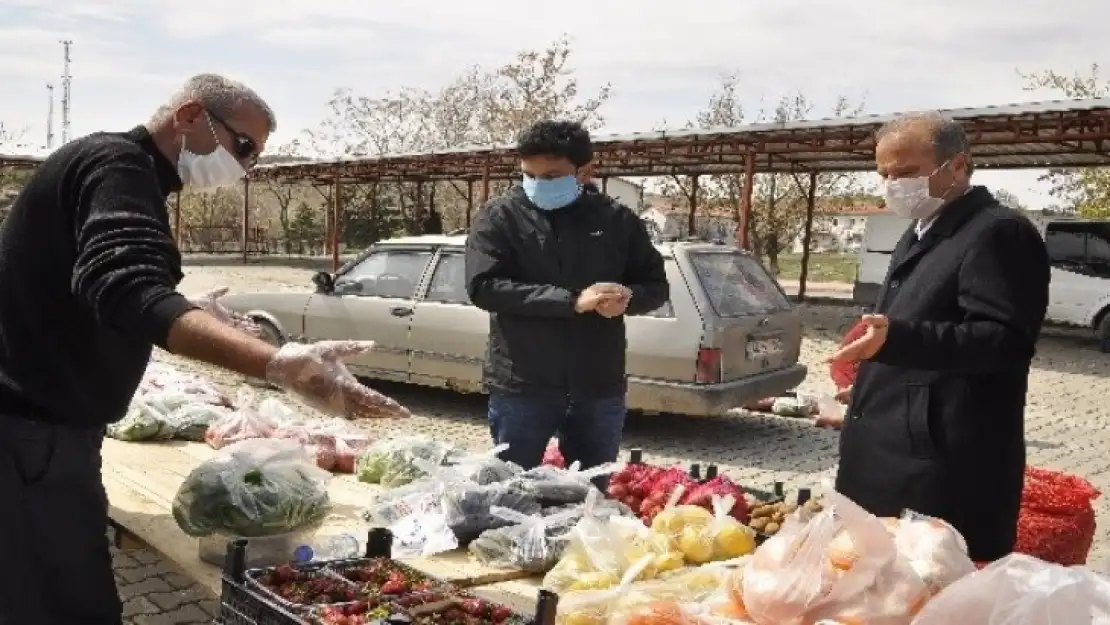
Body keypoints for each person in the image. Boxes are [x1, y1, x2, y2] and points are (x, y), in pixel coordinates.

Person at [0, 74, 409, 625]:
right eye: (243, 147)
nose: (244, 167)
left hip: (42, 434)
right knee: (66, 605)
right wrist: (278, 363)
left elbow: (85, 284)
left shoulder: (113, 168)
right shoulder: (116, 165)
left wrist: (185, 304)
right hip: (31, 439)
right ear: (190, 116)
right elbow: (125, 288)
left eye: (255, 159)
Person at [828, 111, 1050, 563]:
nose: (893, 185)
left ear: (958, 166)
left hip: (942, 465)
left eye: (906, 172)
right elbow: (914, 330)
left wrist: (897, 339)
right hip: (890, 448)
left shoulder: (997, 232)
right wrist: (871, 389)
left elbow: (1003, 340)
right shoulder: (920, 231)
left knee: (929, 591)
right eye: (884, 174)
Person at [465, 120, 669, 471]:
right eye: (530, 175)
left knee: (590, 492)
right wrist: (572, 301)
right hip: (522, 384)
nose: (538, 185)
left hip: (597, 385)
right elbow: (484, 287)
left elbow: (656, 286)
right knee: (513, 490)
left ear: (585, 171)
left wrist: (629, 298)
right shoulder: (499, 217)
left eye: (552, 177)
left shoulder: (618, 221)